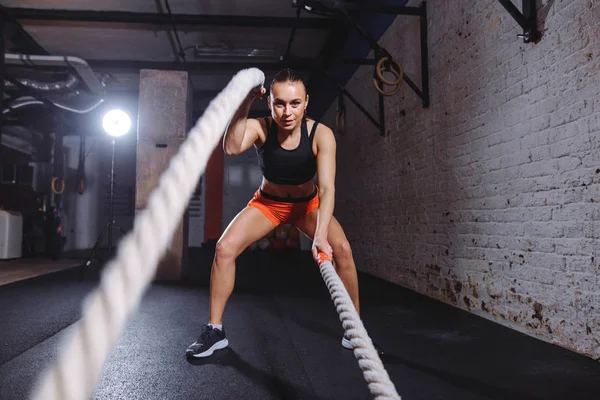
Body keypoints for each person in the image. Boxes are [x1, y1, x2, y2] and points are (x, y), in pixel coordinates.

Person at [186, 68, 361, 358]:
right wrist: (246, 101)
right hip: (268, 205)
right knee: (224, 248)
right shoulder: (260, 127)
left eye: (295, 103)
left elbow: (328, 188)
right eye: (280, 103)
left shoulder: (321, 134)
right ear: (270, 103)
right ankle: (215, 331)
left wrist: (319, 237)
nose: (287, 111)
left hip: (308, 206)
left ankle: (354, 328)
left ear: (306, 102)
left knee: (341, 249)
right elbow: (230, 148)